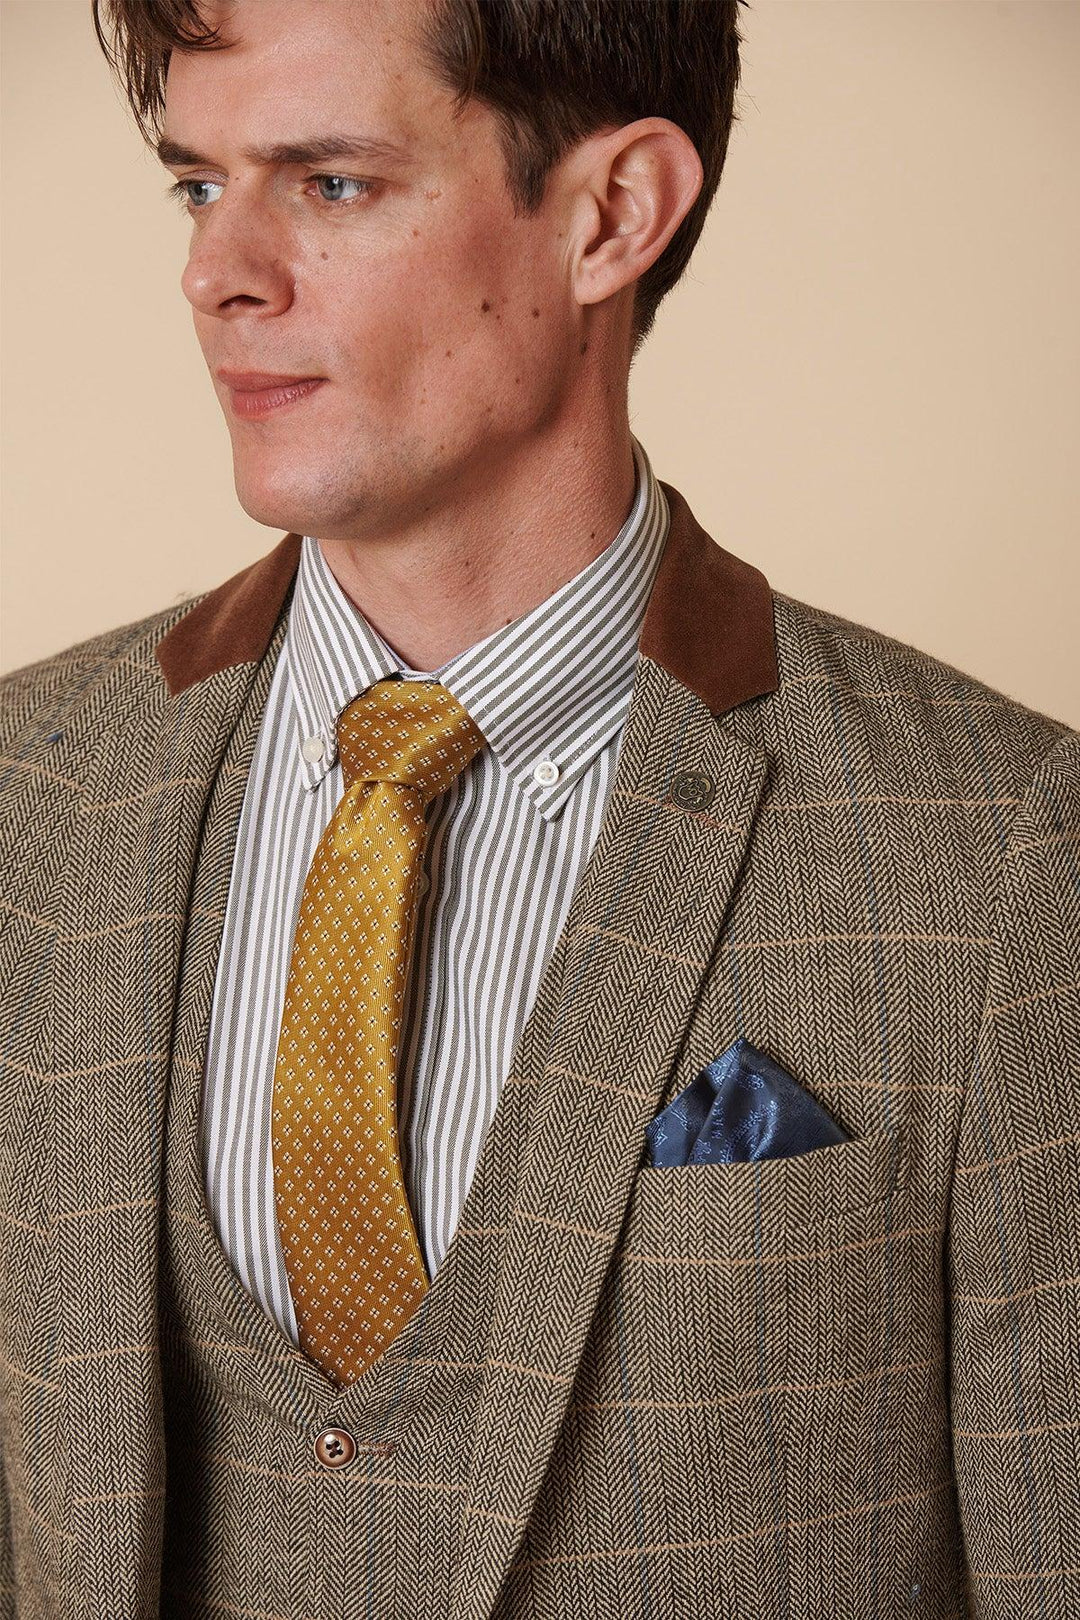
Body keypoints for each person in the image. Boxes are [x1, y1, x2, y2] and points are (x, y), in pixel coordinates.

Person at [1, 0, 1076, 1614]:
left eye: (332, 182)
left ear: (610, 216)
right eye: (197, 184)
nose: (217, 271)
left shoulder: (1001, 852)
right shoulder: (26, 799)